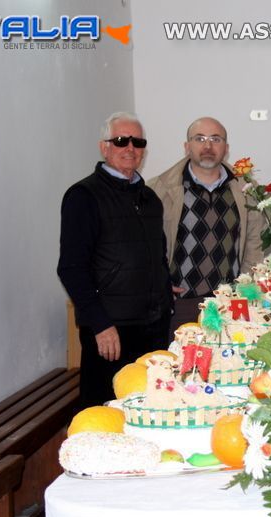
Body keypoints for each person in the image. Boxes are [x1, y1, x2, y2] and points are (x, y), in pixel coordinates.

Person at [58, 112, 172, 408]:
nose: (130, 148)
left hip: (153, 327)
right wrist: (100, 324)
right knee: (107, 414)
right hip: (111, 332)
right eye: (121, 140)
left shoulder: (149, 199)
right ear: (104, 147)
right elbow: (71, 268)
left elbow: (154, 255)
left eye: (138, 141)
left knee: (152, 411)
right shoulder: (84, 196)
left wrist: (162, 286)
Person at [148, 117, 267, 337]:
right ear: (187, 147)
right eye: (200, 139)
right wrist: (160, 283)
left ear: (226, 148)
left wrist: (245, 288)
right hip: (180, 303)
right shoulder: (160, 190)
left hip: (228, 302)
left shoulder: (246, 190)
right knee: (178, 365)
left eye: (216, 139)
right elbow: (147, 246)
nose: (208, 146)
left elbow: (254, 243)